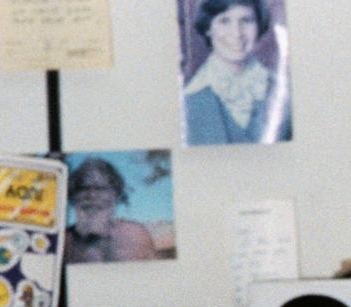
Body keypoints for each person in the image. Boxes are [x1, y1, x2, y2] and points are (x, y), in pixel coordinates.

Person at [183, 0, 291, 145]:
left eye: (246, 20)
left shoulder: (283, 93)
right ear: (208, 27)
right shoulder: (186, 99)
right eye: (224, 21)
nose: (237, 33)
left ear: (259, 26)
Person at [63, 158, 157, 263]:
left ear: (115, 195)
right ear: (72, 196)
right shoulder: (62, 243)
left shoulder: (136, 236)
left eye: (100, 188)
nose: (92, 195)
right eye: (84, 188)